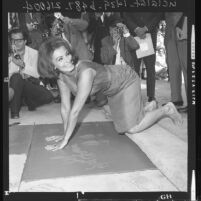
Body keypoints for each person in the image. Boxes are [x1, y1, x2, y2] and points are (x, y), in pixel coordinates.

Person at [37, 37, 182, 151]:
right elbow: (65, 108)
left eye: (67, 54)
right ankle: (148, 107)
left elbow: (75, 111)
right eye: (60, 59)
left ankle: (166, 109)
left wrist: (65, 141)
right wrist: (64, 134)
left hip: (125, 80)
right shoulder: (61, 77)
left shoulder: (85, 72)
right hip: (112, 89)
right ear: (52, 65)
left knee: (132, 128)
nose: (67, 60)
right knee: (120, 128)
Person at [8, 28, 54, 119]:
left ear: (25, 41)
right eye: (13, 40)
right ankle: (14, 113)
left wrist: (23, 65)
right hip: (12, 86)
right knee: (16, 77)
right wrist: (11, 62)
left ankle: (25, 101)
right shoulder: (8, 54)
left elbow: (38, 74)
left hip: (29, 85)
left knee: (48, 97)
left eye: (19, 40)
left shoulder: (34, 53)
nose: (16, 43)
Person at [121, 12, 163, 102]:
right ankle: (133, 94)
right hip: (133, 34)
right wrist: (136, 28)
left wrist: (146, 28)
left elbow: (159, 13)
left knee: (150, 66)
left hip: (150, 33)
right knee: (134, 67)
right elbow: (125, 13)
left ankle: (151, 96)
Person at [164, 12, 188, 112]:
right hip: (169, 25)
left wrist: (183, 24)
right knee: (173, 64)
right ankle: (176, 99)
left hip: (184, 20)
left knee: (187, 64)